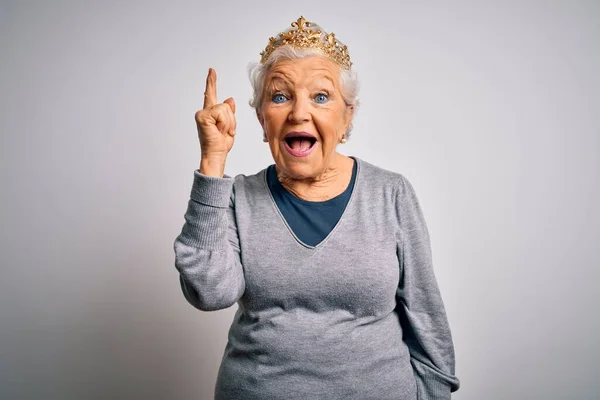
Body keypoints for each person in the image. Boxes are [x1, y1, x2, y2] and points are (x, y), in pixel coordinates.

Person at [173, 16, 460, 400]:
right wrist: (212, 160)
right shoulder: (237, 197)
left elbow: (427, 319)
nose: (298, 113)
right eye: (280, 96)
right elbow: (209, 293)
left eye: (321, 97)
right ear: (262, 119)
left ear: (347, 117)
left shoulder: (390, 194)